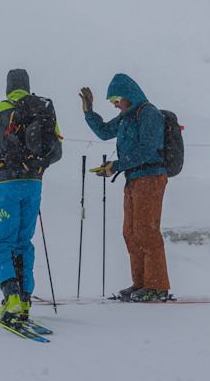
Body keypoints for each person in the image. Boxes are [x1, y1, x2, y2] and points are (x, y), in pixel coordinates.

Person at [0, 69, 63, 322]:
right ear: (28, 86)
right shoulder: (43, 110)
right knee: (24, 242)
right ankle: (24, 299)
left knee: (2, 242)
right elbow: (57, 149)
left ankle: (10, 295)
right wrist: (35, 166)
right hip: (34, 184)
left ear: (9, 87)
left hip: (7, 185)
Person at [79, 74, 171, 302]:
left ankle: (157, 287)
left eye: (117, 98)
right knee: (130, 232)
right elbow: (103, 132)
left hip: (150, 178)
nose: (114, 104)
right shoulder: (126, 117)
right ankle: (141, 284)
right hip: (133, 178)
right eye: (111, 100)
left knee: (146, 231)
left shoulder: (148, 113)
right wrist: (89, 111)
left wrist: (116, 165)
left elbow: (147, 150)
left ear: (130, 94)